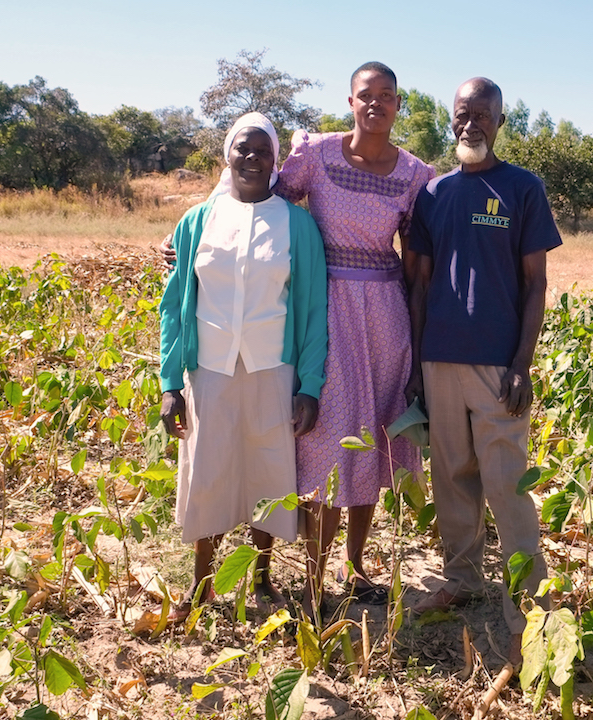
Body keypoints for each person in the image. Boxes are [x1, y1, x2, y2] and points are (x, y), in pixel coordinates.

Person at [162, 62, 434, 620]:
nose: (376, 103)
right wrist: (180, 241)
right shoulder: (307, 159)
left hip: (376, 318)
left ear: (398, 104)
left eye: (388, 95)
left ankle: (340, 568)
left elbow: (419, 258)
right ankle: (258, 578)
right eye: (366, 94)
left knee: (363, 441)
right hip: (283, 328)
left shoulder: (405, 178)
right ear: (350, 100)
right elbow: (244, 203)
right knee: (312, 446)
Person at [405, 77, 562, 665]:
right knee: (451, 472)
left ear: (500, 122)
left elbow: (536, 282)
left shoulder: (522, 188)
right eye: (461, 115)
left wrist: (522, 364)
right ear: (452, 120)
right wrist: (418, 364)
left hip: (499, 363)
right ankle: (462, 577)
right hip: (439, 357)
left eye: (482, 116)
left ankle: (530, 593)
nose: (470, 124)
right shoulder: (433, 193)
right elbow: (417, 282)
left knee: (505, 479)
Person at [159, 112, 327, 621]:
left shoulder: (297, 224)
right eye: (242, 150)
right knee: (207, 472)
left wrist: (310, 385)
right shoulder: (196, 221)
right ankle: (202, 582)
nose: (251, 158)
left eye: (262, 151)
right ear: (226, 157)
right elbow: (173, 307)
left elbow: (315, 309)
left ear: (276, 161)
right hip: (206, 368)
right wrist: (170, 384)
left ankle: (261, 579)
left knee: (267, 473)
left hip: (272, 367)